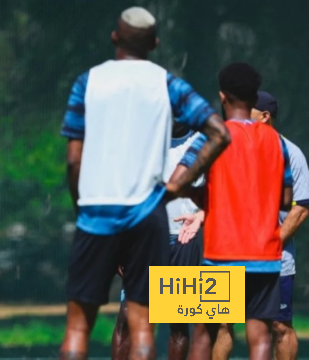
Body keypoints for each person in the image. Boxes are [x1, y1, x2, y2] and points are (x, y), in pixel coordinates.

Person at [59, 6, 230, 360]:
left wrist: (83, 208)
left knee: (78, 326)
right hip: (147, 214)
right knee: (142, 324)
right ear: (154, 42)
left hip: (96, 212)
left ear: (115, 37)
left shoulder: (87, 82)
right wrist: (175, 188)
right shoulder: (166, 83)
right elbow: (219, 132)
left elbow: (74, 160)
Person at [171, 63, 293, 360]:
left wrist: (204, 196)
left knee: (204, 332)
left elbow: (177, 183)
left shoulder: (211, 137)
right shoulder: (277, 142)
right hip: (265, 255)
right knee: (260, 335)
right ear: (253, 98)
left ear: (222, 97)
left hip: (221, 253)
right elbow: (285, 201)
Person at [211, 91, 309, 360]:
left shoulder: (291, 153)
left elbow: (301, 207)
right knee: (221, 323)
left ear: (264, 116)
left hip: (275, 261)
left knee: (279, 327)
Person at [111, 120, 204, 360]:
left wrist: (201, 215)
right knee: (127, 317)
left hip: (185, 240)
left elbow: (221, 192)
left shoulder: (204, 143)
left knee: (178, 322)